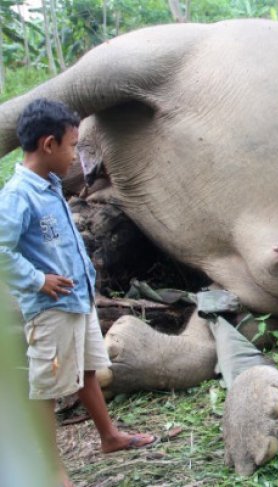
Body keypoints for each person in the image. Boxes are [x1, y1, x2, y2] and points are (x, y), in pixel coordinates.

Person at [0, 99, 156, 487]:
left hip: (76, 301)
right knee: (47, 388)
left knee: (88, 370)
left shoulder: (50, 185)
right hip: (51, 308)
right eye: (72, 145)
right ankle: (52, 469)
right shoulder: (19, 194)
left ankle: (109, 436)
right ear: (49, 144)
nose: (75, 156)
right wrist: (38, 280)